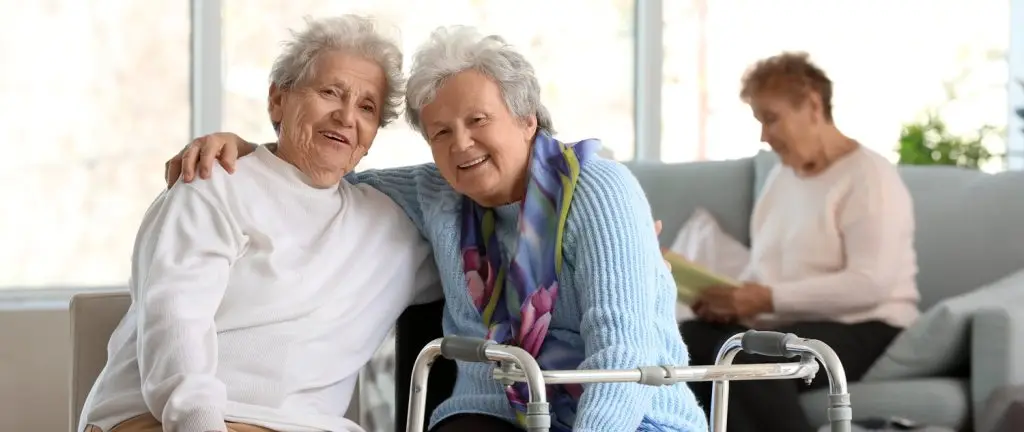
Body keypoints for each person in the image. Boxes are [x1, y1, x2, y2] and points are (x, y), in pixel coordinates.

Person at [166, 26, 708, 432]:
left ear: (527, 119)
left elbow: (622, 356)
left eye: (477, 121)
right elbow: (328, 164)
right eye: (440, 133)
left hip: (631, 413)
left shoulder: (599, 189)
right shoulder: (439, 192)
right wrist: (247, 149)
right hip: (491, 409)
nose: (461, 146)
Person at [79, 16, 441, 432]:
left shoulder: (390, 225)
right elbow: (175, 324)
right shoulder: (213, 184)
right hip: (165, 421)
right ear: (277, 100)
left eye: (367, 107)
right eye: (330, 92)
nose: (346, 116)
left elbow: (478, 250)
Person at [679, 52, 920, 432]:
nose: (764, 136)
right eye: (759, 121)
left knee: (746, 363)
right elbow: (766, 269)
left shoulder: (870, 177)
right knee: (687, 339)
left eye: (771, 119)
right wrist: (734, 303)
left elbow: (871, 283)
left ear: (811, 105)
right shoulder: (781, 178)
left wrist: (766, 298)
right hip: (791, 321)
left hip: (868, 325)